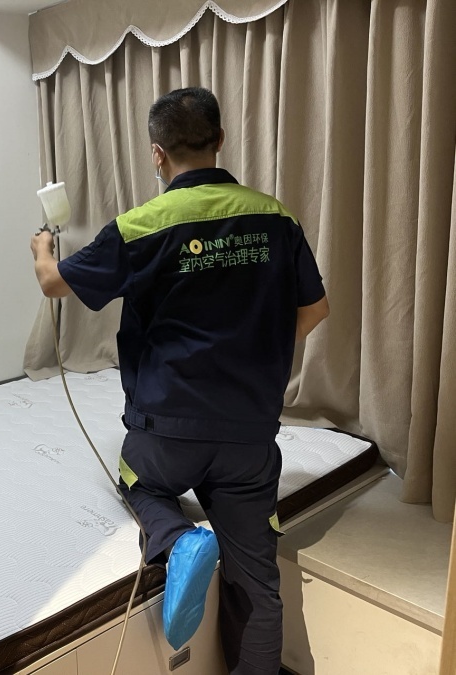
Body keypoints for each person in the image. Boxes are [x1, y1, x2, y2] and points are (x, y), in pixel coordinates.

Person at [29, 87, 329, 675]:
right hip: (247, 436)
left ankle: (175, 538)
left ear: (157, 153)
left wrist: (44, 248)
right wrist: (258, 351)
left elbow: (54, 284)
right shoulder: (276, 218)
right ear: (220, 140)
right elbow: (315, 309)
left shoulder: (141, 226)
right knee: (258, 581)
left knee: (134, 479)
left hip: (167, 431)